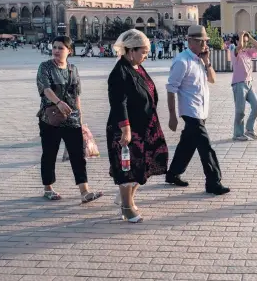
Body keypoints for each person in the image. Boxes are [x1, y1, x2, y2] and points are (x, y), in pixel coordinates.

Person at [107, 29, 169, 223]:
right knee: (128, 169)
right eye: (143, 51)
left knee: (142, 166)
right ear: (130, 50)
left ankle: (128, 199)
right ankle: (126, 207)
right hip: (127, 129)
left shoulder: (136, 67)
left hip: (145, 127)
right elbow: (119, 103)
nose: (146, 55)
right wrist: (125, 129)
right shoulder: (120, 72)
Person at [36, 36, 103, 202]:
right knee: (49, 153)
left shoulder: (73, 69)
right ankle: (48, 187)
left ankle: (84, 191)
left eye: (61, 48)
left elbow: (77, 95)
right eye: (55, 47)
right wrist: (58, 103)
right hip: (50, 118)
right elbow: (45, 89)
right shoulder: (45, 67)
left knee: (77, 155)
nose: (56, 51)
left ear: (69, 51)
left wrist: (80, 117)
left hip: (72, 118)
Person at [165, 25, 230, 195]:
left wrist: (207, 61)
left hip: (202, 110)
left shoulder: (200, 60)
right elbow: (171, 88)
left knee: (187, 144)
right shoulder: (182, 61)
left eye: (205, 42)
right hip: (190, 111)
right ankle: (213, 182)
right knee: (206, 147)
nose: (204, 45)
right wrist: (172, 115)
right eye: (201, 42)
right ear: (191, 41)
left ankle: (173, 174)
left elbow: (212, 79)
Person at [231, 31, 257, 141]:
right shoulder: (235, 52)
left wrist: (250, 38)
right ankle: (238, 134)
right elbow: (239, 46)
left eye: (246, 42)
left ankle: (249, 130)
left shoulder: (248, 52)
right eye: (243, 41)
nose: (245, 44)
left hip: (249, 83)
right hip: (239, 83)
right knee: (240, 111)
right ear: (237, 41)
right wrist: (241, 36)